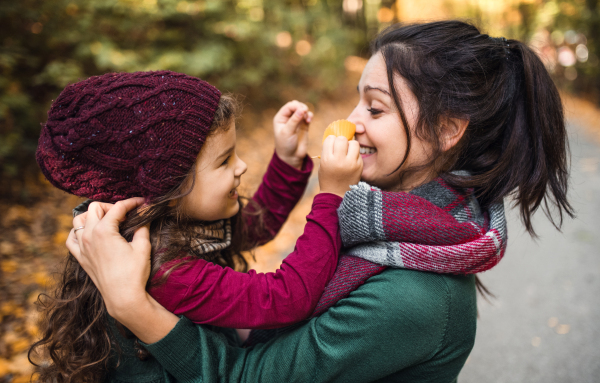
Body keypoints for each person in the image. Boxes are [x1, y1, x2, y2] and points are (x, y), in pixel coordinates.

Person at [70, 20, 573, 382]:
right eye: (358, 99)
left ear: (445, 130)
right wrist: (294, 171)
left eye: (375, 107)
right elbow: (245, 232)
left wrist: (132, 305)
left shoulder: (411, 296)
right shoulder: (386, 228)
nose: (352, 120)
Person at [30, 70, 364, 382]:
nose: (242, 166)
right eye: (224, 160)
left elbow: (250, 228)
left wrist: (287, 162)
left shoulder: (171, 224)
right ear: (168, 189)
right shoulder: (162, 269)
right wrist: (332, 196)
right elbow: (286, 297)